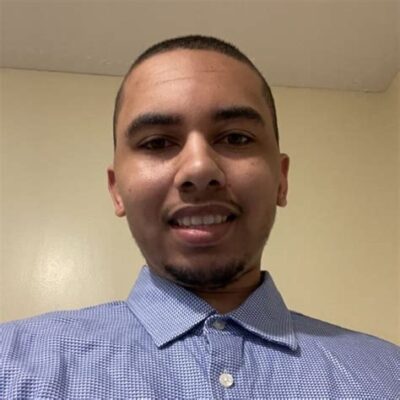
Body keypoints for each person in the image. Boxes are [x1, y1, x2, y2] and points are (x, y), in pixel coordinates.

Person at [0, 35, 398, 399]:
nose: (198, 169)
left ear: (282, 179)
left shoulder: (389, 375)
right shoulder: (11, 366)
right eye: (157, 142)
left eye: (236, 138)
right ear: (116, 189)